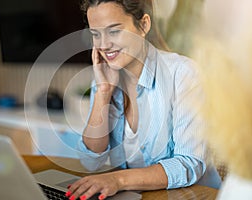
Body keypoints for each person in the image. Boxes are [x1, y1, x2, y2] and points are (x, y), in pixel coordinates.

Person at [66, 0, 221, 199]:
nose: (103, 45)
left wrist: (118, 180)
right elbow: (90, 161)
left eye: (114, 31)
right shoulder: (106, 75)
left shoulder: (183, 73)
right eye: (96, 34)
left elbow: (188, 163)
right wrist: (103, 92)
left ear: (144, 25)